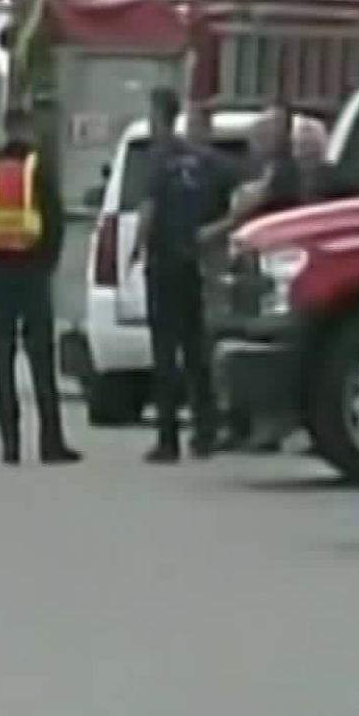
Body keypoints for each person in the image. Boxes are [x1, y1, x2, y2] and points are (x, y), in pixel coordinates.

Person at [0, 106, 81, 467]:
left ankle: (10, 445)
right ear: (26, 129)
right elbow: (54, 221)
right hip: (32, 273)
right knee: (41, 360)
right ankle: (50, 442)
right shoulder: (37, 167)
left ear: (4, 129)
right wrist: (47, 264)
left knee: (3, 361)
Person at [129, 87, 228, 462]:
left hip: (165, 263)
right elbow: (230, 203)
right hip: (195, 263)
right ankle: (205, 432)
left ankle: (167, 439)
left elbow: (149, 208)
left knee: (165, 352)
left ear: (159, 115)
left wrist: (135, 250)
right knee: (195, 349)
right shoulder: (204, 161)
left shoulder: (159, 158)